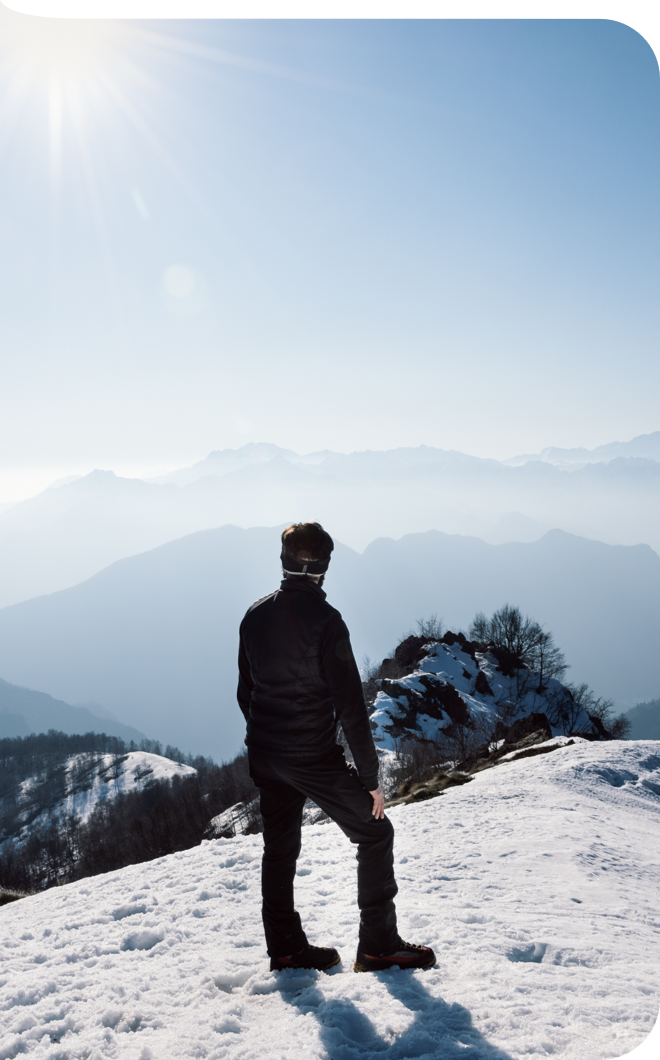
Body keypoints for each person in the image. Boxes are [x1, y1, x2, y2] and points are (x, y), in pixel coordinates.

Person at [237, 521, 436, 973]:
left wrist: (269, 739)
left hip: (265, 753)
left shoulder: (254, 615)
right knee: (375, 833)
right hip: (311, 755)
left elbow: (245, 691)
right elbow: (351, 709)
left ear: (283, 562)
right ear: (324, 568)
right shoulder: (327, 622)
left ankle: (286, 949)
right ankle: (379, 946)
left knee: (279, 850)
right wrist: (371, 781)